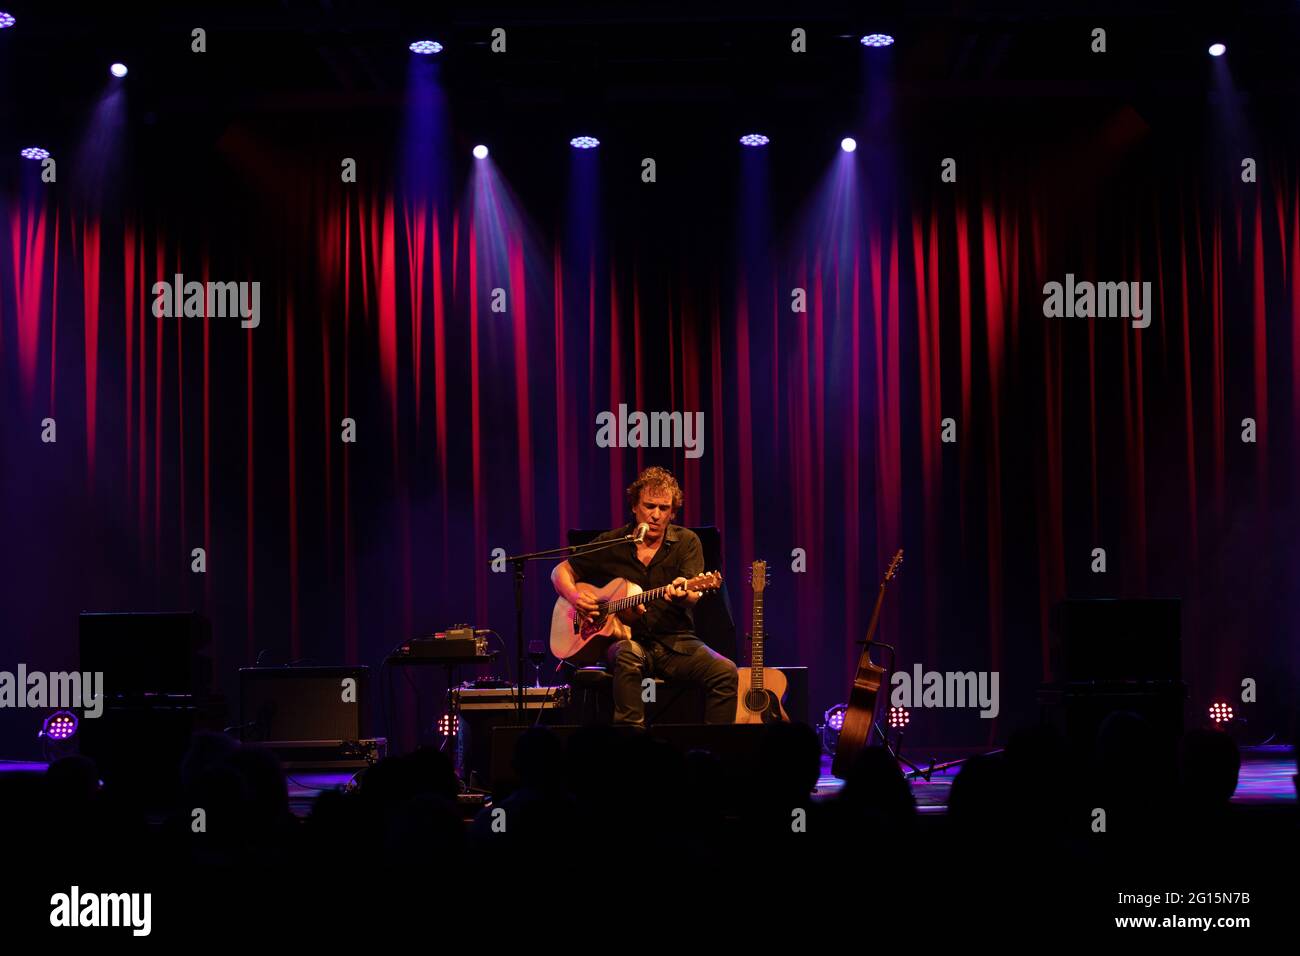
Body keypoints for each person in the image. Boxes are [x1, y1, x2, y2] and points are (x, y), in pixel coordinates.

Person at [550, 466, 737, 728]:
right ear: (635, 507)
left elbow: (693, 596)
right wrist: (575, 597)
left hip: (677, 643)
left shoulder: (687, 542)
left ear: (673, 512)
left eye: (664, 508)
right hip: (628, 642)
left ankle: (714, 754)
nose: (656, 515)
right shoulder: (613, 542)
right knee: (627, 654)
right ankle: (632, 749)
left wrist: (682, 594)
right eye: (650, 506)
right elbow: (561, 571)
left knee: (725, 672)